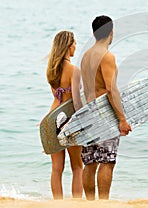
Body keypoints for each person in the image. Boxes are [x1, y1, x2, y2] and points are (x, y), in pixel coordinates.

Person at [80, 15, 132, 200]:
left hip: (87, 113)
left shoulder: (85, 57)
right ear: (111, 33)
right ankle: (103, 203)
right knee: (107, 161)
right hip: (104, 114)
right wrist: (122, 119)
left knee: (90, 162)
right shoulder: (107, 56)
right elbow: (111, 89)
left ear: (94, 33)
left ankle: (90, 203)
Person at [46, 31, 83, 199]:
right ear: (68, 46)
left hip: (51, 119)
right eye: (74, 43)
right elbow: (76, 102)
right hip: (69, 120)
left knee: (56, 169)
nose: (76, 46)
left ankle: (58, 204)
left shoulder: (51, 70)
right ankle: (75, 203)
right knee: (77, 167)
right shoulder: (74, 70)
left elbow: (56, 97)